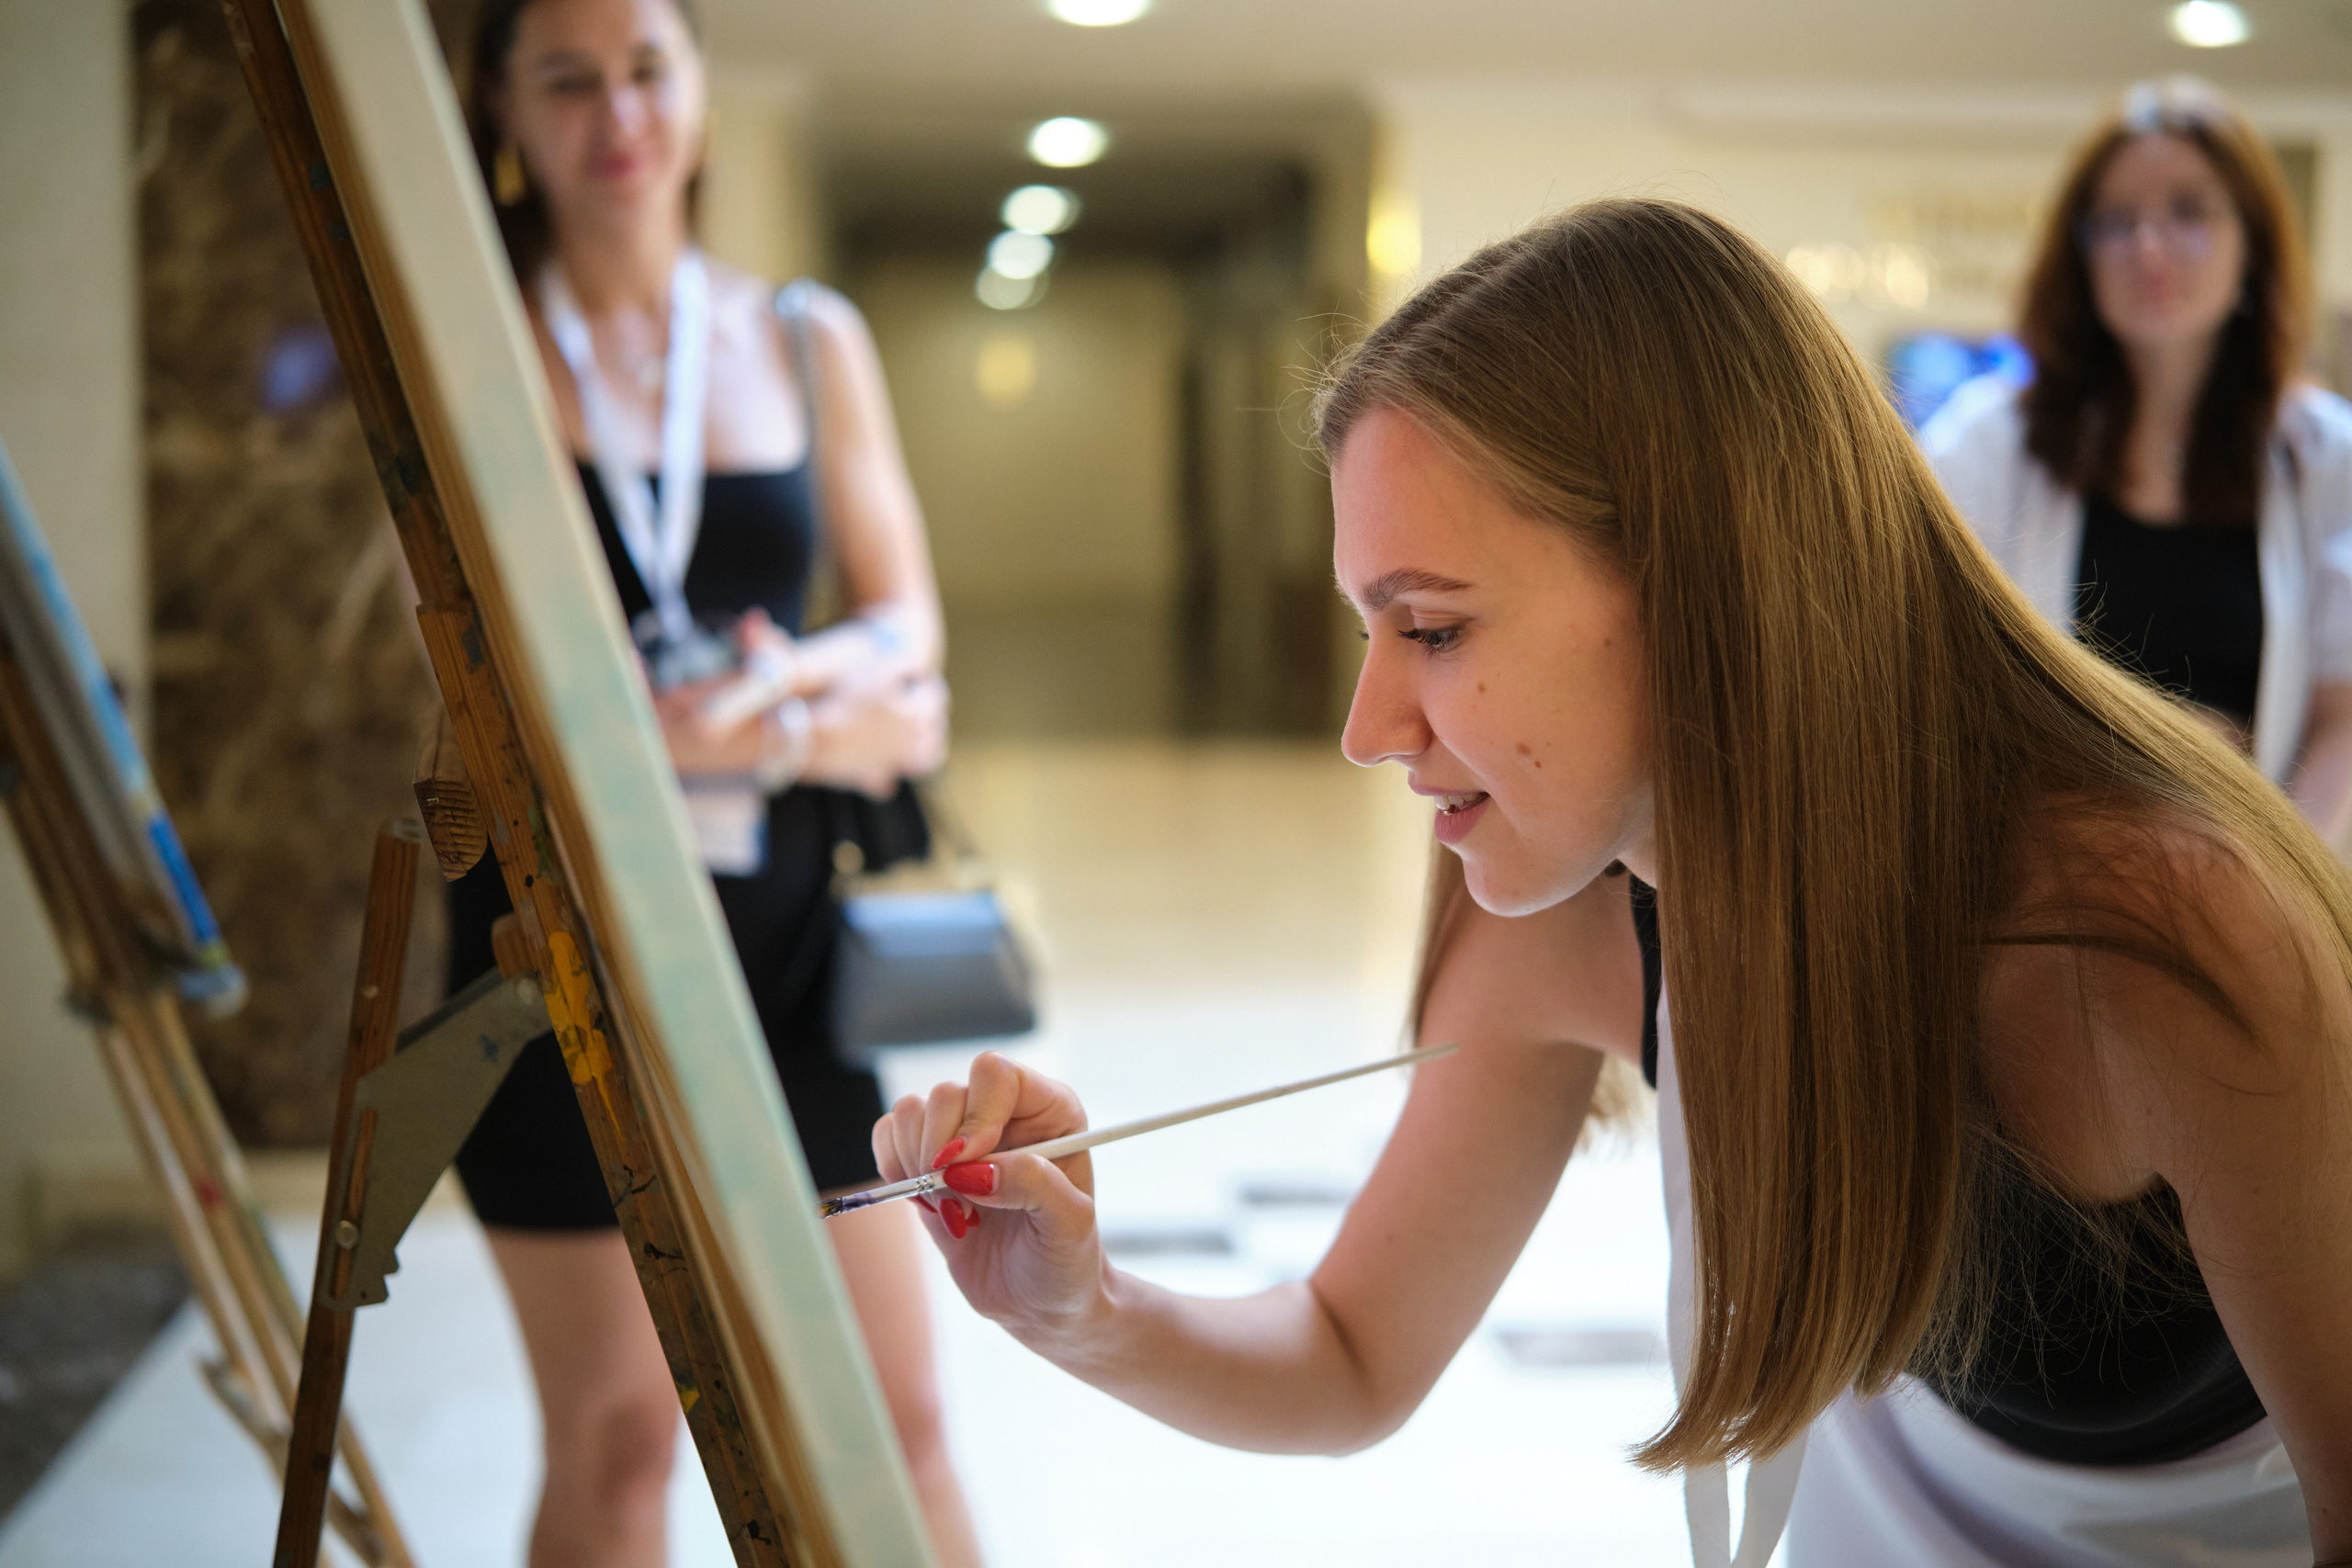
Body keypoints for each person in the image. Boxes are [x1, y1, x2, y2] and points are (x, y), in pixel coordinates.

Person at [876, 199, 2352, 1566]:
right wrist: (1083, 1304)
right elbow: (1348, 1350)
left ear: (1703, 581)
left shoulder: (2157, 935)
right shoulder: (1558, 891)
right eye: (1367, 632)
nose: (1367, 728)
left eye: (1435, 630)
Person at [450, 2, 983, 1563]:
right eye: (567, 79)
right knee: (622, 1449)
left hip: (789, 948)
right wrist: (819, 704)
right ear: (503, 113)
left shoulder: (804, 335)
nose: (617, 114)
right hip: (553, 947)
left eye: (646, 71)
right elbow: (501, 694)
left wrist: (780, 712)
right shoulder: (467, 337)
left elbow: (908, 639)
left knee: (898, 1419)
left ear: (696, 92)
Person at [1922, 76, 2352, 841]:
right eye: (2116, 221)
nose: (2148, 247)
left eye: (2189, 212)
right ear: (2080, 254)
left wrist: (2287, 899)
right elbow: (1925, 664)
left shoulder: (2325, 455)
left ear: (2251, 244)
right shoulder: (1991, 441)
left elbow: (2342, 721)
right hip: (2044, 871)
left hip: (2259, 878)